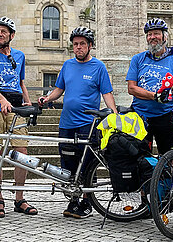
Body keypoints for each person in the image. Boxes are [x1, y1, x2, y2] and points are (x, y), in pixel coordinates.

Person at [39, 27, 117, 218]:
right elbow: (59, 89)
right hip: (67, 122)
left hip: (88, 124)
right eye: (75, 44)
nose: (79, 47)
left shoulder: (98, 67)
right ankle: (73, 199)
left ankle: (88, 201)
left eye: (82, 44)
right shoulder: (67, 65)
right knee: (68, 161)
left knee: (87, 163)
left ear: (90, 46)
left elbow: (106, 93)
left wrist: (114, 115)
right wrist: (47, 99)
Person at [0, 16, 37, 218]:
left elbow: (21, 82)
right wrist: (3, 100)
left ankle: (19, 198)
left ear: (11, 35)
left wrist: (28, 102)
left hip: (16, 108)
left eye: (3, 32)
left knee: (21, 151)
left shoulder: (19, 55)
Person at [126, 18, 173, 156]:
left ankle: (167, 178)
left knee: (170, 157)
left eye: (156, 33)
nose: (152, 37)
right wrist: (154, 96)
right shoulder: (138, 59)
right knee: (138, 158)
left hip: (164, 116)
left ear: (164, 36)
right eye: (149, 34)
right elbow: (131, 88)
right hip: (139, 116)